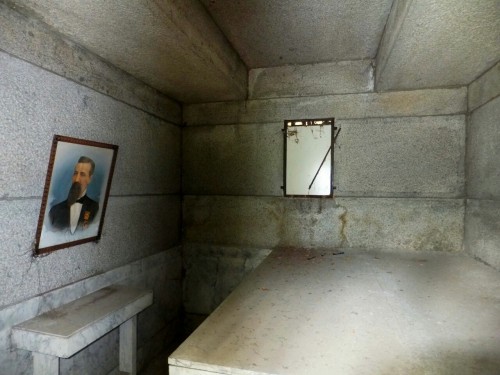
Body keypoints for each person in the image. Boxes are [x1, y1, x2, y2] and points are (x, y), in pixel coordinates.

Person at [49, 156, 99, 233]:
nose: (76, 179)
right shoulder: (55, 211)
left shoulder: (95, 208)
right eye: (75, 173)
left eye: (82, 174)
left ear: (89, 179)